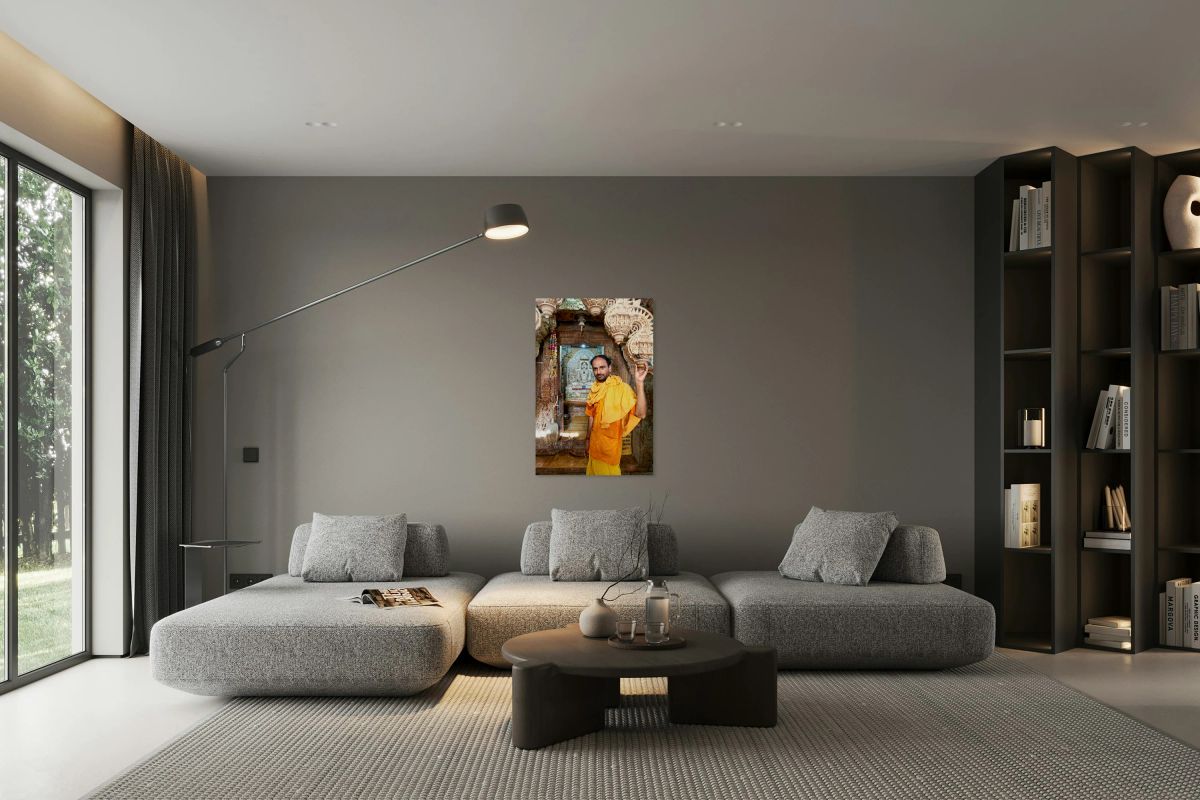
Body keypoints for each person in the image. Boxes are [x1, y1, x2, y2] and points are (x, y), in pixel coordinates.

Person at [584, 354, 648, 476]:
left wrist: (639, 383)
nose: (598, 372)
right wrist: (587, 439)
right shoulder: (594, 389)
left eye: (602, 367)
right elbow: (591, 415)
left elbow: (641, 413)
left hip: (609, 449)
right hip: (594, 446)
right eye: (595, 369)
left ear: (610, 368)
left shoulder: (622, 388)